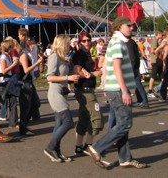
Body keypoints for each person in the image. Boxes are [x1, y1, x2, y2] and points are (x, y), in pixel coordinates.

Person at [87, 17, 148, 169]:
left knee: (122, 124)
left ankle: (125, 158)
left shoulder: (116, 42)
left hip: (115, 88)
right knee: (126, 123)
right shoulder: (117, 43)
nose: (131, 28)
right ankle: (97, 148)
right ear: (119, 27)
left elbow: (107, 67)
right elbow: (116, 68)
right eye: (129, 26)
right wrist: (125, 91)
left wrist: (107, 85)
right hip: (119, 90)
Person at [44, 34, 80, 163]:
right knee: (68, 122)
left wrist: (73, 77)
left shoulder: (63, 58)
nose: (70, 45)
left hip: (61, 93)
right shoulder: (54, 56)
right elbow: (49, 77)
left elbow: (66, 74)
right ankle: (50, 147)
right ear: (62, 44)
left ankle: (56, 151)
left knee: (59, 124)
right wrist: (67, 78)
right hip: (55, 94)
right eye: (68, 43)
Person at [72, 31, 104, 155]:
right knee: (97, 119)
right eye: (84, 41)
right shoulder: (79, 55)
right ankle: (89, 146)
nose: (87, 42)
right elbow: (77, 72)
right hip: (84, 90)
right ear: (80, 42)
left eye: (88, 40)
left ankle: (79, 146)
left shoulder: (87, 54)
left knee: (84, 118)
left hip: (88, 89)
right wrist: (92, 74)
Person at [17, 28, 43, 136]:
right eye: (31, 44)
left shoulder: (30, 53)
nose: (33, 46)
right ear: (27, 44)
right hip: (24, 82)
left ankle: (24, 124)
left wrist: (39, 64)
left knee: (35, 103)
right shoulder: (23, 54)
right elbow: (26, 69)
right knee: (25, 105)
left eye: (33, 44)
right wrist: (37, 63)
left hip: (29, 80)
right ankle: (22, 127)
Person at [126, 28, 149, 108]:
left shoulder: (129, 43)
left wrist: (131, 68)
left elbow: (132, 57)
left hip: (132, 67)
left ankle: (144, 101)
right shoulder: (132, 42)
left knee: (138, 84)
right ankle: (141, 100)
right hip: (135, 66)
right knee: (137, 84)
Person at [147, 30, 163, 98]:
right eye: (161, 34)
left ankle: (165, 89)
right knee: (153, 76)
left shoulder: (157, 41)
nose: (162, 35)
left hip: (158, 61)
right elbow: (152, 50)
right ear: (158, 34)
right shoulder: (154, 41)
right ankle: (150, 91)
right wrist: (159, 53)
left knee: (162, 75)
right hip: (156, 61)